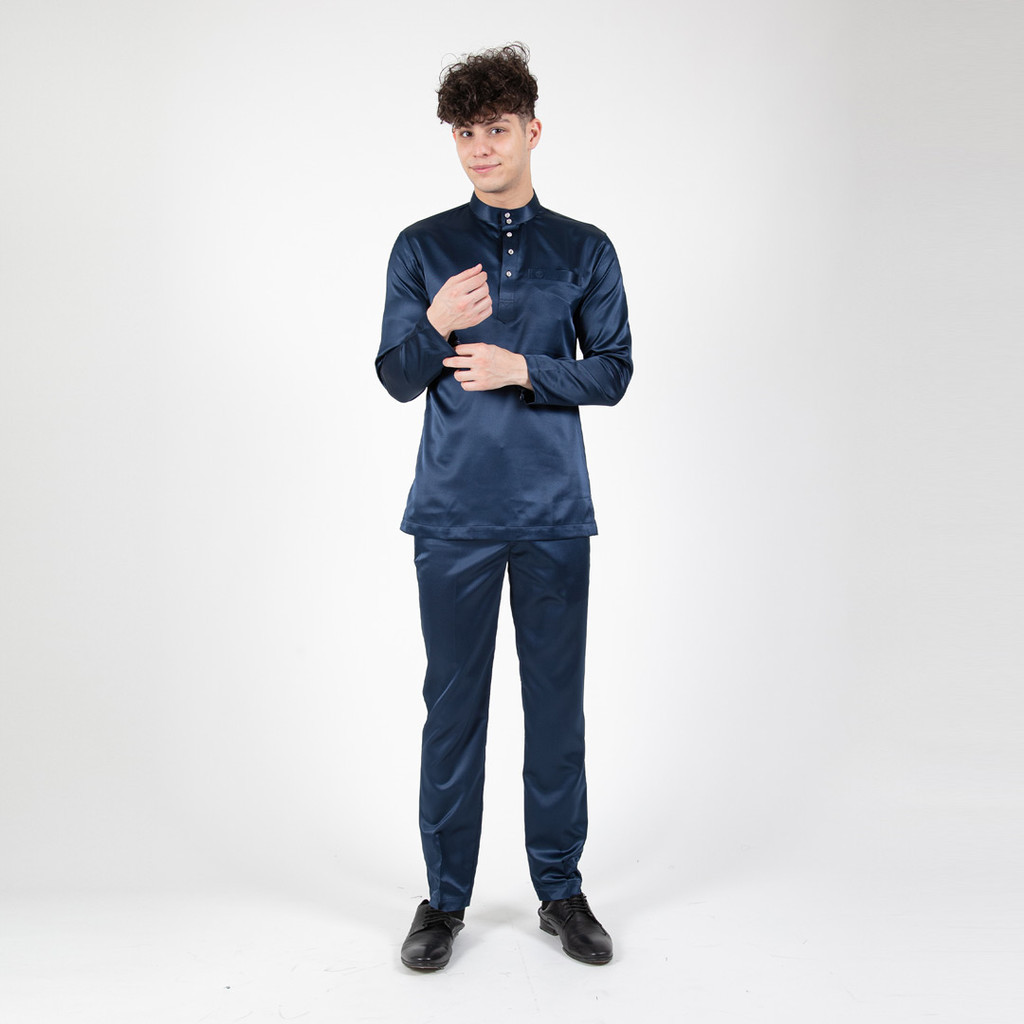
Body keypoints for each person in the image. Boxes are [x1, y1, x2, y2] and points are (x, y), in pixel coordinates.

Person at [375, 43, 632, 970]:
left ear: (531, 130)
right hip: (452, 516)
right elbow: (396, 376)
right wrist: (435, 323)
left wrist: (524, 367)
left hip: (554, 512)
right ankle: (444, 901)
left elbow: (614, 372)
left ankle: (560, 891)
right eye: (464, 133)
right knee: (452, 712)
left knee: (557, 711)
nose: (480, 147)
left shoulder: (585, 249)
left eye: (495, 129)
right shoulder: (422, 247)